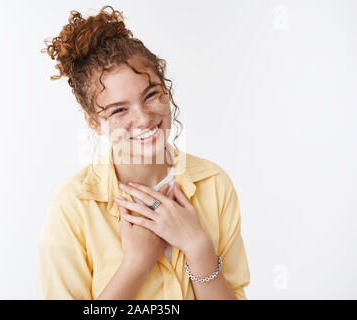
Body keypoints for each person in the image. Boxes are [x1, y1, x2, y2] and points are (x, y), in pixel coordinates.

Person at [38, 5, 250, 300]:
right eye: (119, 110)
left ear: (166, 89)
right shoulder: (71, 208)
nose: (143, 118)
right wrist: (136, 264)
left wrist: (198, 248)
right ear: (93, 121)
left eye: (151, 94)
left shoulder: (214, 185)